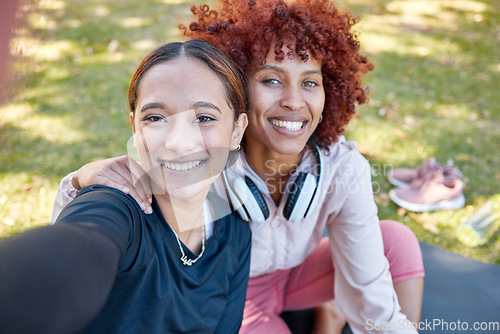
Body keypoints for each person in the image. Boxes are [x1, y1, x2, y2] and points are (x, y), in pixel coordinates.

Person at [52, 0, 425, 333]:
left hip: (297, 278)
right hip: (240, 296)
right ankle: (328, 316)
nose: (294, 101)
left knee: (397, 240)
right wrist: (81, 180)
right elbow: (108, 223)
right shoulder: (206, 158)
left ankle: (328, 313)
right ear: (239, 92)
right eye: (272, 79)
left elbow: (373, 290)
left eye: (310, 82)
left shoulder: (343, 169)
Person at [0, 39, 251, 334]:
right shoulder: (115, 207)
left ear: (237, 131)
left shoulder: (236, 232)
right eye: (155, 118)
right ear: (134, 127)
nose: (179, 143)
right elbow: (76, 249)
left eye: (204, 118)